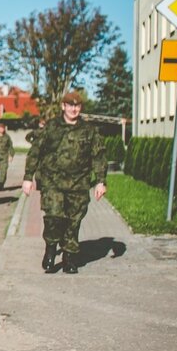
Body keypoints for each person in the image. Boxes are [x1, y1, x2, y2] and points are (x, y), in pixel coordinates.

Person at [22, 91, 107, 274]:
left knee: (73, 222)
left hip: (79, 184)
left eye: (77, 106)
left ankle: (69, 257)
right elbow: (35, 152)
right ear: (63, 106)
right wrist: (28, 178)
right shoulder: (51, 127)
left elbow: (98, 156)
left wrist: (101, 181)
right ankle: (51, 248)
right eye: (70, 105)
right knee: (53, 217)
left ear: (80, 108)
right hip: (53, 182)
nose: (73, 109)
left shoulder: (89, 130)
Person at [0, 122, 15, 191]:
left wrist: (11, 155)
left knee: (3, 172)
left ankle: (1, 185)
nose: (2, 129)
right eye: (1, 128)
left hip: (4, 157)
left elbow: (10, 147)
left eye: (3, 128)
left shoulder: (7, 137)